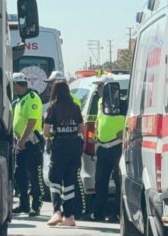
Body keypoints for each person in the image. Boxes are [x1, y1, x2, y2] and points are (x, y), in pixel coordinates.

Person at [43, 81, 85, 227]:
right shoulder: (75, 107)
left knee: (54, 178)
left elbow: (46, 131)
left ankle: (57, 212)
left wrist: (56, 132)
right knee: (70, 181)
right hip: (74, 147)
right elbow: (81, 128)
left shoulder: (53, 107)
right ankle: (70, 217)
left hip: (60, 146)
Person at [89, 80, 126, 222]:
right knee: (100, 182)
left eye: (100, 86)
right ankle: (98, 213)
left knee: (119, 181)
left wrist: (125, 132)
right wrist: (95, 136)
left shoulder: (123, 103)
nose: (98, 89)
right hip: (102, 147)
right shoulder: (100, 102)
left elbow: (131, 122)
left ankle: (116, 214)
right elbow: (99, 120)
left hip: (117, 146)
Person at [12, 72, 43, 217]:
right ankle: (24, 204)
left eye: (13, 85)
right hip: (21, 142)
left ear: (17, 84)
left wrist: (23, 140)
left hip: (31, 142)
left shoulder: (32, 98)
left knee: (34, 175)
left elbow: (32, 121)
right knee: (20, 174)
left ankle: (36, 205)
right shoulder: (19, 100)